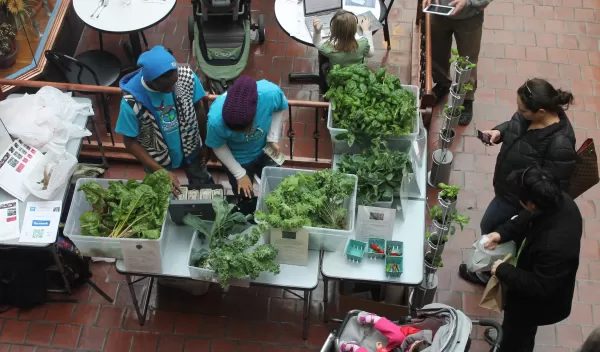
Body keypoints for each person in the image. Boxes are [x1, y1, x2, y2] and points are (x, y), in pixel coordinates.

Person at [459, 78, 577, 286]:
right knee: (493, 226)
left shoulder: (560, 146)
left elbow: (550, 193)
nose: (519, 112)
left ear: (541, 111)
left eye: (523, 110)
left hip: (519, 201)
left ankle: (490, 272)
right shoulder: (530, 116)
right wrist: (500, 132)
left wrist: (524, 215)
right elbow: (515, 123)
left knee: (493, 227)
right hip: (508, 189)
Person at [483, 165, 582, 352]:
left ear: (532, 203)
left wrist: (503, 270)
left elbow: (540, 285)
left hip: (536, 303)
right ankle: (504, 338)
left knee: (519, 338)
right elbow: (527, 216)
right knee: (512, 328)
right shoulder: (559, 201)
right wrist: (502, 233)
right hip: (530, 284)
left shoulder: (555, 245)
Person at [116, 46, 211, 193]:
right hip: (157, 159)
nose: (173, 88)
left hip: (190, 147)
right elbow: (129, 142)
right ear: (151, 81)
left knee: (201, 180)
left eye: (174, 82)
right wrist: (161, 171)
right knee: (163, 193)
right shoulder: (131, 102)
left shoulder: (185, 77)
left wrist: (204, 144)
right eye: (167, 86)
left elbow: (198, 108)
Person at [205, 76, 288, 197]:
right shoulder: (215, 120)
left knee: (276, 186)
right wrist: (239, 174)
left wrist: (272, 138)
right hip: (238, 159)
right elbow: (218, 146)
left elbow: (278, 108)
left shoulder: (270, 93)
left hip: (265, 149)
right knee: (244, 194)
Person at [423, 0, 492, 125]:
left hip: (469, 16)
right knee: (438, 52)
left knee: (467, 60)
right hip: (438, 10)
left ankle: (467, 98)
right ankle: (442, 83)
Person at [339, 312, 432, 352]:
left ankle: (353, 348)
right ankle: (373, 319)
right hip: (398, 343)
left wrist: (381, 349)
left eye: (412, 348)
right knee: (398, 334)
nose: (414, 343)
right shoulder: (422, 336)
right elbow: (405, 330)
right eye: (416, 342)